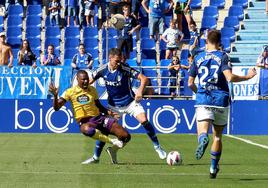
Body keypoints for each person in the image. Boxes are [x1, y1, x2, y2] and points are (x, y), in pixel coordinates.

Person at [188, 30, 257, 179]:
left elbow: (190, 83)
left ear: (206, 41)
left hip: (204, 98)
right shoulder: (223, 56)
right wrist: (248, 76)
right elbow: (230, 77)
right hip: (220, 100)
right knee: (218, 137)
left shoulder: (198, 57)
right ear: (219, 43)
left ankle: (202, 139)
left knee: (202, 132)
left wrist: (199, 91)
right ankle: (213, 168)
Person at [83, 48, 166, 164]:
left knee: (144, 120)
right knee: (105, 130)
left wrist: (140, 91)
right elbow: (89, 81)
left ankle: (157, 147)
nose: (118, 63)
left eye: (120, 60)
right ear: (110, 58)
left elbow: (144, 78)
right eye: (116, 61)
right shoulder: (102, 70)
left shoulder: (124, 68)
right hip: (113, 107)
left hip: (130, 102)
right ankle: (96, 157)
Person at [49, 70, 131, 164]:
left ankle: (112, 151)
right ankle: (112, 141)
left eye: (87, 79)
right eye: (83, 79)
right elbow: (56, 108)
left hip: (99, 118)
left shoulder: (92, 90)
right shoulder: (70, 92)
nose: (86, 81)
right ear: (77, 79)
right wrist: (55, 96)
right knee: (87, 130)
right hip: (85, 121)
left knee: (125, 136)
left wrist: (108, 112)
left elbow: (98, 105)